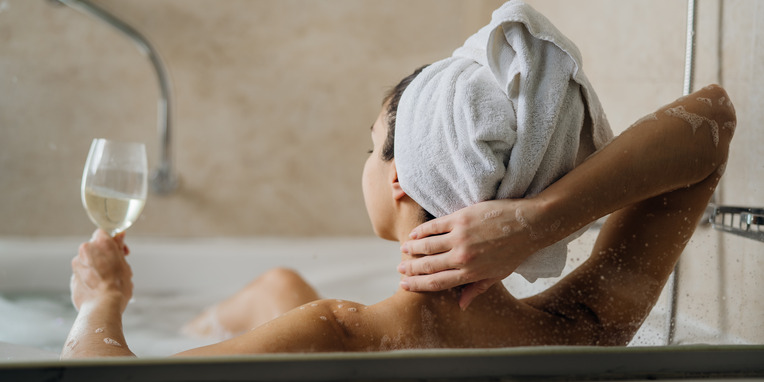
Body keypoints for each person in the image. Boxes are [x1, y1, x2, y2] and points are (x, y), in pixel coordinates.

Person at [61, 76, 734, 358]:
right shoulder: (583, 329)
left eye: (370, 146)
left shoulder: (333, 337)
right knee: (279, 285)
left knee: (282, 292)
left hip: (312, 325)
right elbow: (710, 120)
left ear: (401, 178)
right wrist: (538, 221)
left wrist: (102, 305)